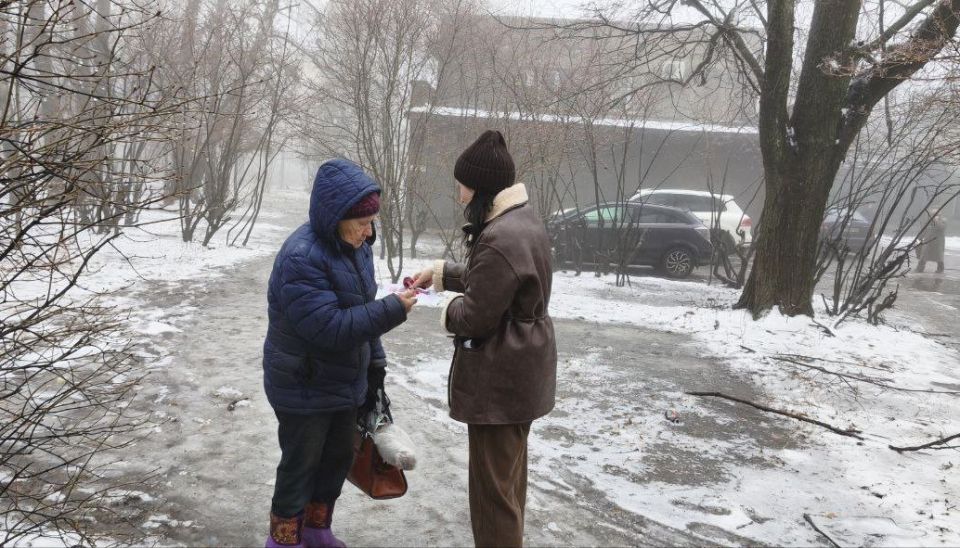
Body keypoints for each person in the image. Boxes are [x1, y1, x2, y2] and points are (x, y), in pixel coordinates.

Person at [410, 130, 557, 547]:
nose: (458, 194)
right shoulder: (521, 222)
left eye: (462, 185)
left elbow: (474, 316)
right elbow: (502, 280)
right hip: (523, 375)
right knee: (508, 490)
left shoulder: (498, 237)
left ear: (480, 188)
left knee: (493, 502)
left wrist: (445, 310)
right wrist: (442, 275)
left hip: (501, 384)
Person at [262, 158, 418, 548]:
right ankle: (283, 541)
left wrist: (376, 366)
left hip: (344, 382)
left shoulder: (356, 249)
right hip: (305, 383)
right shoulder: (302, 256)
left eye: (371, 223)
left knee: (335, 464)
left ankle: (316, 531)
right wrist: (394, 308)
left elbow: (363, 310)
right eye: (361, 224)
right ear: (335, 218)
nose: (369, 234)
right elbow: (329, 327)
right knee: (300, 467)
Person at [916, 209, 946, 274]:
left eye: (935, 214)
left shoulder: (943, 221)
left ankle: (940, 269)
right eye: (932, 214)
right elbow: (924, 229)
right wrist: (920, 237)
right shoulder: (928, 221)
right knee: (923, 255)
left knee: (939, 257)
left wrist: (937, 220)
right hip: (928, 241)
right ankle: (920, 268)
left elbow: (941, 227)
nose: (933, 216)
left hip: (938, 243)